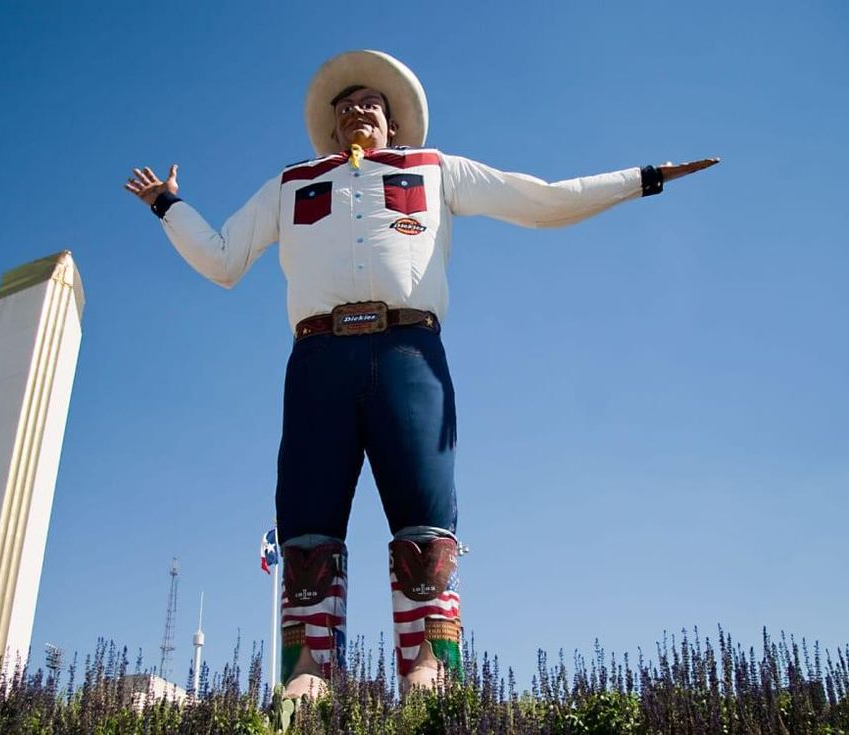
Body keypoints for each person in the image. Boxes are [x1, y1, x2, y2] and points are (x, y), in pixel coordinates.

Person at [125, 49, 718, 699]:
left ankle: (431, 665)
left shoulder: (435, 169)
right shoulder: (291, 183)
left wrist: (644, 177)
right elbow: (222, 258)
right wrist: (169, 206)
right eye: (345, 104)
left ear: (395, 122)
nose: (358, 110)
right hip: (318, 356)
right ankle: (309, 670)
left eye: (371, 103)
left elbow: (540, 199)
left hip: (408, 350)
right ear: (329, 125)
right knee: (307, 508)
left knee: (423, 502)